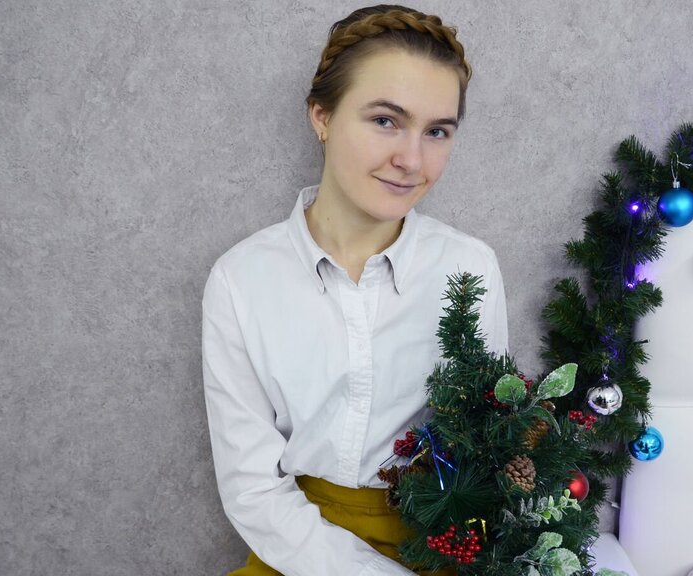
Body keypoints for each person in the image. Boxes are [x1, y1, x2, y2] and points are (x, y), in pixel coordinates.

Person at [201, 5, 508, 575]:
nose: (410, 160)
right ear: (322, 116)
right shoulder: (241, 279)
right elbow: (253, 489)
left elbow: (488, 441)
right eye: (386, 120)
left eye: (437, 131)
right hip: (299, 550)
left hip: (440, 545)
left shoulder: (470, 268)